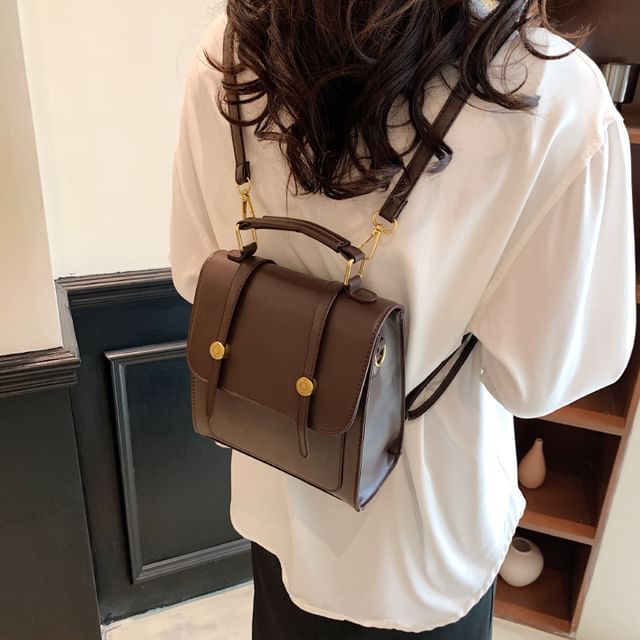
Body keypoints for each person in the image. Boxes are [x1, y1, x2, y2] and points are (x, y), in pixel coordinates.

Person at [168, 1, 636, 638]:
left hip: (279, 498)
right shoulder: (551, 93)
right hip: (426, 542)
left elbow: (195, 274)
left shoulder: (229, 46)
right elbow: (538, 380)